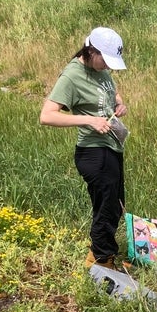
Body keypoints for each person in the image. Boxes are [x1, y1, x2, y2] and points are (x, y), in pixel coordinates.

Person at [39, 27, 129, 270]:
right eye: (105, 61)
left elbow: (110, 92)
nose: (108, 67)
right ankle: (102, 262)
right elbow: (47, 116)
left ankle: (99, 253)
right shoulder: (72, 76)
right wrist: (89, 120)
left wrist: (119, 104)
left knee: (115, 204)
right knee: (106, 207)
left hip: (111, 145)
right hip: (93, 151)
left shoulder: (100, 70)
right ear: (91, 51)